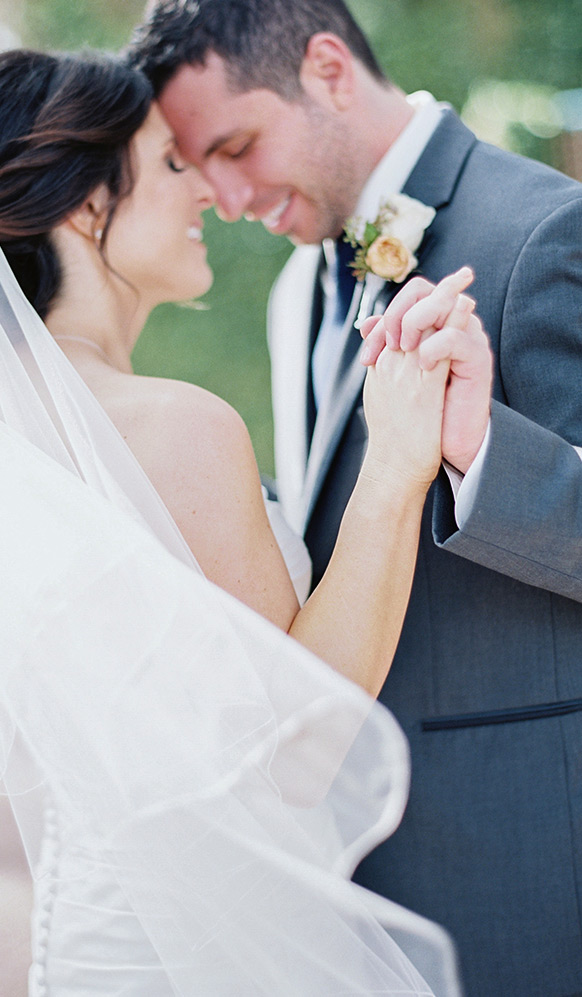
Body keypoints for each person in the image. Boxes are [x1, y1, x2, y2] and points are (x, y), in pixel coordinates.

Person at [0, 48, 487, 995]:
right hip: (209, 952)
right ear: (86, 207)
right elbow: (301, 751)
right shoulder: (174, 426)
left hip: (92, 938)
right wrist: (397, 465)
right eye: (170, 163)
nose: (206, 192)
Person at [130, 2, 582, 994]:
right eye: (203, 169)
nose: (231, 197)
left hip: (524, 859)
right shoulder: (298, 290)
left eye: (238, 146)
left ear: (328, 68)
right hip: (352, 870)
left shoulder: (542, 232)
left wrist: (482, 453)